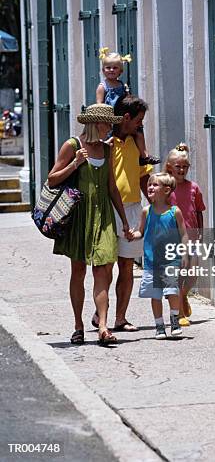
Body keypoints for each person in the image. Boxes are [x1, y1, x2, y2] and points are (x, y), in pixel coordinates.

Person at [49, 104, 133, 346]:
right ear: (97, 124)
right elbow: (52, 179)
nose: (111, 128)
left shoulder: (107, 150)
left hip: (104, 215)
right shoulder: (72, 145)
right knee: (79, 271)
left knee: (104, 269)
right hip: (79, 216)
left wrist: (125, 221)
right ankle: (78, 326)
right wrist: (74, 164)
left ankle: (104, 327)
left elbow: (112, 187)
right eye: (108, 124)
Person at [91, 94, 153, 332]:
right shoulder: (106, 145)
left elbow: (143, 177)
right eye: (139, 120)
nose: (141, 124)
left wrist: (157, 210)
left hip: (133, 209)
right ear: (126, 117)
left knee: (127, 266)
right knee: (106, 266)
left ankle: (120, 318)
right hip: (109, 209)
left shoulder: (137, 144)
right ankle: (101, 313)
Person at [134, 172, 188, 339]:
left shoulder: (174, 212)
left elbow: (184, 234)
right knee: (155, 295)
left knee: (172, 291)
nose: (150, 187)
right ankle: (159, 326)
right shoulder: (146, 211)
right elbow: (140, 232)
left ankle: (174, 320)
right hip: (151, 262)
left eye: (154, 185)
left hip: (171, 260)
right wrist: (131, 234)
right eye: (149, 184)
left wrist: (185, 254)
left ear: (166, 190)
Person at [164, 143, 206, 327]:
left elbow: (198, 211)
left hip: (192, 236)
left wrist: (201, 233)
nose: (181, 170)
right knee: (179, 275)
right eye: (178, 166)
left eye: (185, 167)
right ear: (169, 167)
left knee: (194, 273)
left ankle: (183, 296)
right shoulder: (166, 187)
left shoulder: (193, 188)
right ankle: (180, 312)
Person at [96, 48, 159, 165]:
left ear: (120, 71)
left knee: (138, 130)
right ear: (103, 70)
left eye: (115, 68)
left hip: (123, 115)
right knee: (108, 137)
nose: (111, 70)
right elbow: (99, 104)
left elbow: (128, 99)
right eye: (108, 68)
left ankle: (144, 155)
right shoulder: (102, 87)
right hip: (110, 117)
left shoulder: (122, 85)